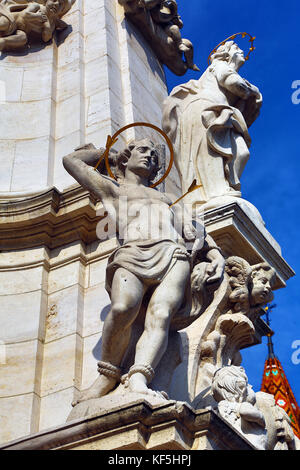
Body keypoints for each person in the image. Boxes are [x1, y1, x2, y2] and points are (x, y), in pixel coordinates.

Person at [63, 138, 225, 403]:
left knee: (160, 315)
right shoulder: (113, 190)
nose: (150, 156)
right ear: (126, 158)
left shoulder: (167, 198)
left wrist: (215, 253)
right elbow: (72, 161)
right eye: (142, 150)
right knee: (123, 308)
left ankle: (139, 376)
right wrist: (109, 156)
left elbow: (194, 229)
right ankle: (108, 374)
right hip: (132, 253)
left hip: (173, 255)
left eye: (154, 155)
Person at [163, 41, 262, 206]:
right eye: (237, 48)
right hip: (206, 111)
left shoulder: (225, 68)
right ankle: (215, 192)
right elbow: (234, 84)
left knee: (242, 152)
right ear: (226, 53)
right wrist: (253, 91)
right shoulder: (219, 65)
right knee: (210, 153)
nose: (242, 51)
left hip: (220, 112)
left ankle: (224, 187)